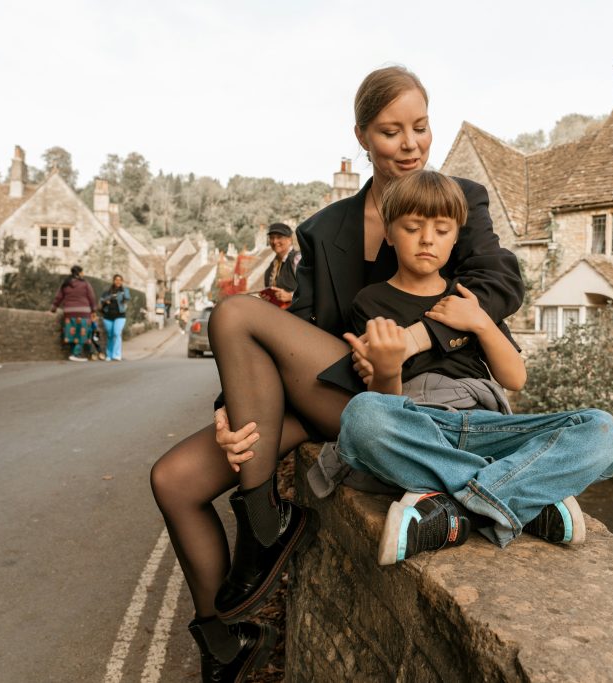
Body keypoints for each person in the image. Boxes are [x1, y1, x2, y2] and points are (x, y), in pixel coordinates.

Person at [149, 66, 525, 682]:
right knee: (172, 480)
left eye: (421, 128)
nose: (410, 144)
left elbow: (498, 283)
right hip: (329, 392)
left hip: (406, 398)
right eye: (390, 131)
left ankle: (263, 521)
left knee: (238, 311)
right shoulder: (324, 231)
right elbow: (289, 334)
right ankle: (227, 639)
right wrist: (229, 411)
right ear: (361, 136)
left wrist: (412, 339)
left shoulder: (451, 203)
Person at [331, 170, 613, 565]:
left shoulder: (469, 297)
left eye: (441, 229)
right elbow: (385, 405)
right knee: (362, 417)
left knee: (602, 431)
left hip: (489, 427)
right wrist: (385, 369)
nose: (427, 239)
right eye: (413, 227)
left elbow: (515, 378)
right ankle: (519, 499)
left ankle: (454, 508)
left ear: (456, 237)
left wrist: (481, 322)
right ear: (389, 233)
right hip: (423, 428)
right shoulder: (371, 303)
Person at [50, 265, 97, 362]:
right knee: (83, 333)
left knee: (72, 333)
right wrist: (94, 310)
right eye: (82, 272)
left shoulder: (66, 283)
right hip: (83, 312)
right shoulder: (85, 284)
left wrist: (54, 308)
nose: (83, 274)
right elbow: (91, 297)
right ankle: (76, 354)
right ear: (79, 273)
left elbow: (59, 297)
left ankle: (73, 353)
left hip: (69, 312)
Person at [259, 223, 301, 309]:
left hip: (297, 317)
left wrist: (290, 296)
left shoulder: (297, 259)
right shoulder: (271, 266)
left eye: (279, 237)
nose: (274, 241)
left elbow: (312, 288)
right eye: (272, 238)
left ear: (289, 239)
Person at [99, 274, 131, 361]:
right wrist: (106, 301)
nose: (118, 281)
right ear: (113, 281)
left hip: (120, 316)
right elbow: (101, 300)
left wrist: (120, 295)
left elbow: (127, 298)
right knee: (110, 335)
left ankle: (117, 354)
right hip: (108, 316)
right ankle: (109, 354)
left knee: (117, 333)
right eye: (116, 279)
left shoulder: (125, 290)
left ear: (122, 281)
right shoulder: (107, 291)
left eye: (120, 280)